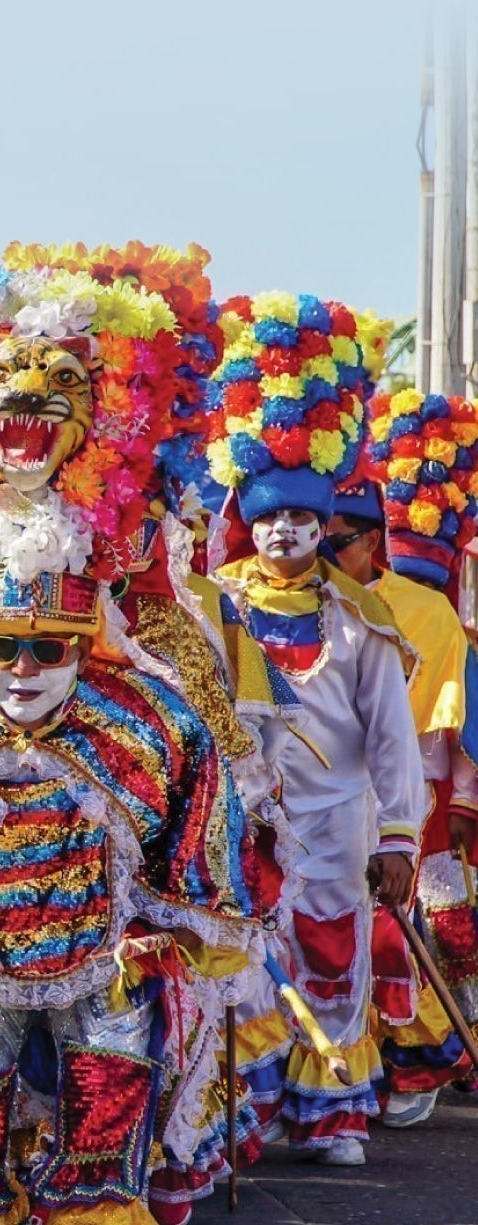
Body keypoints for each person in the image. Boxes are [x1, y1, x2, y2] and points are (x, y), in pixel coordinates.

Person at [0, 252, 269, 1223]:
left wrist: (163, 930)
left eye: (62, 379)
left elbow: (200, 826)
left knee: (112, 1088)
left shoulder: (150, 710)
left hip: (105, 942)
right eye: (6, 371)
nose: (20, 665)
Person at [209, 292, 427, 1167]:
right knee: (248, 957)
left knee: (334, 955)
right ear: (249, 520)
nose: (285, 531)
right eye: (269, 517)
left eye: (301, 518)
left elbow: (393, 736)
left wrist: (401, 831)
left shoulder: (362, 618)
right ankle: (249, 1109)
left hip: (338, 815)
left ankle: (333, 1107)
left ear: (325, 526)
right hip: (244, 816)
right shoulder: (216, 610)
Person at [330, 388, 478, 1130]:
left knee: (404, 925)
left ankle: (427, 1050)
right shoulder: (288, 600)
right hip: (315, 795)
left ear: (374, 539)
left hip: (399, 791)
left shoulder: (422, 613)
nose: (330, 547)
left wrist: (444, 806)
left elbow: (441, 723)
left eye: (345, 535)